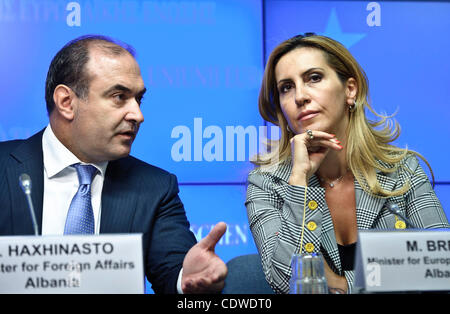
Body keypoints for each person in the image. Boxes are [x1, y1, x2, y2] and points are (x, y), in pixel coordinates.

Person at [0, 35, 227, 294]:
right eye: (119, 97)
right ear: (66, 102)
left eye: (138, 99)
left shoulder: (155, 188)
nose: (138, 115)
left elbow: (174, 272)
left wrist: (187, 280)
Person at [245, 33, 449, 294]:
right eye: (286, 87)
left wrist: (343, 285)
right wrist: (299, 182)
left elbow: (441, 269)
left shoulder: (402, 169)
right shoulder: (265, 183)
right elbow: (287, 284)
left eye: (314, 78)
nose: (300, 96)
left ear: (350, 89)